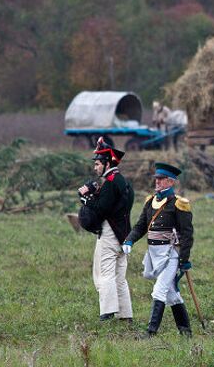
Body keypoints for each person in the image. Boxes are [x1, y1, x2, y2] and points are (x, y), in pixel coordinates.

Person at [123, 163, 194, 337]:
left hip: (171, 255)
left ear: (170, 182)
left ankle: (150, 332)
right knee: (171, 295)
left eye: (161, 180)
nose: (157, 182)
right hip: (154, 254)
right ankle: (185, 331)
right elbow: (141, 226)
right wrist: (129, 240)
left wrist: (184, 259)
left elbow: (187, 234)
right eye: (157, 179)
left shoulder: (179, 204)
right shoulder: (150, 201)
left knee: (159, 290)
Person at [78, 137, 133, 322]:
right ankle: (125, 315)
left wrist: (86, 198)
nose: (95, 167)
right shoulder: (123, 181)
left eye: (98, 163)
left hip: (110, 233)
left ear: (107, 163)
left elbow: (101, 209)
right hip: (123, 233)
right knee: (119, 277)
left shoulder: (111, 181)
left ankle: (107, 312)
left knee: (105, 273)